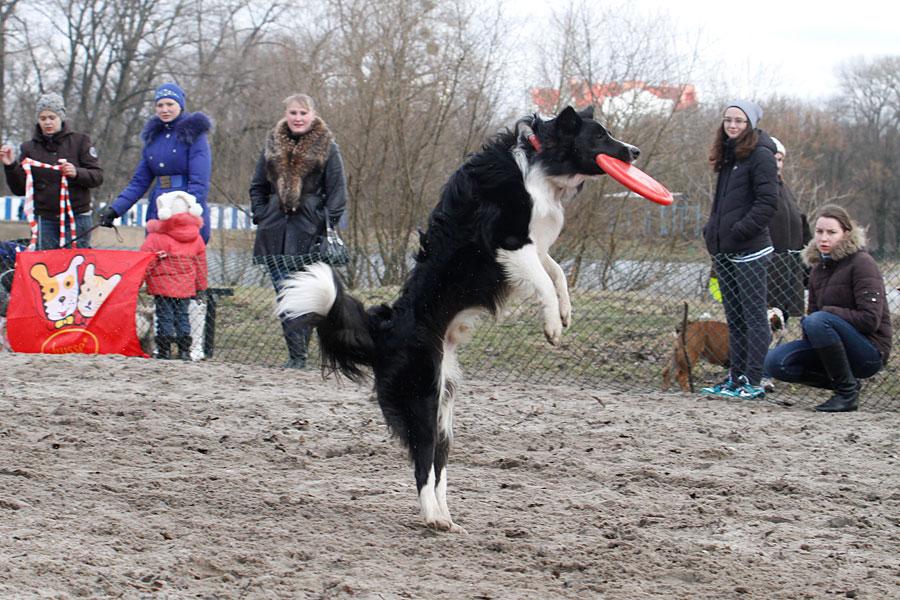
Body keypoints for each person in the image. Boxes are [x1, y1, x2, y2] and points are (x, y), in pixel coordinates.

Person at [249, 93, 347, 368]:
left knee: (305, 296)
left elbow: (338, 193)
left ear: (313, 114)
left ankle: (303, 355)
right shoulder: (272, 144)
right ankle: (297, 357)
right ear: (286, 115)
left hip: (309, 233)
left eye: (303, 113)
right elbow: (257, 185)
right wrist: (262, 213)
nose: (298, 118)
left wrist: (322, 221)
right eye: (293, 113)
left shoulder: (327, 146)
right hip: (275, 232)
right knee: (284, 294)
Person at [763, 205, 891, 412]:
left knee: (817, 320)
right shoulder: (817, 269)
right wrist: (815, 329)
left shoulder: (862, 263)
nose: (824, 238)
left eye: (832, 232)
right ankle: (847, 383)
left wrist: (827, 315)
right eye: (819, 232)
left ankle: (846, 394)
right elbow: (814, 315)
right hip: (830, 346)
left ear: (846, 234)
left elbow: (870, 320)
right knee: (774, 362)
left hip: (869, 351)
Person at [700, 100, 779, 399]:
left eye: (740, 121)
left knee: (754, 316)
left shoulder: (761, 155)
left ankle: (753, 381)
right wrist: (712, 232)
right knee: (734, 317)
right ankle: (735, 377)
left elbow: (767, 203)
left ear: (751, 125)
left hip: (750, 249)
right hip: (725, 250)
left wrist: (739, 231)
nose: (732, 125)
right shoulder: (728, 155)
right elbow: (721, 205)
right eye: (728, 120)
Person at [99, 82, 212, 243]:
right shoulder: (153, 139)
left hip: (185, 206)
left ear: (180, 105)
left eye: (170, 104)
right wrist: (116, 209)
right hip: (159, 207)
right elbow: (139, 182)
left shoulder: (194, 135)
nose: (164, 109)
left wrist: (190, 212)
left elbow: (199, 180)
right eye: (160, 105)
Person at [1, 93, 104, 249]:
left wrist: (76, 173)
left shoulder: (80, 141)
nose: (47, 122)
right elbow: (21, 188)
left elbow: (97, 176)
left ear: (61, 117)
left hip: (76, 216)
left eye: (52, 117)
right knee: (45, 267)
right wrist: (10, 166)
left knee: (74, 263)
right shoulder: (29, 148)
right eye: (43, 118)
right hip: (45, 219)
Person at [139, 191, 208, 360]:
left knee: (164, 317)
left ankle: (164, 351)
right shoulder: (196, 238)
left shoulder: (156, 237)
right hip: (185, 287)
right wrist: (200, 286)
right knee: (182, 317)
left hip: (162, 287)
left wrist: (138, 281)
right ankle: (185, 351)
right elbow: (200, 265)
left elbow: (144, 262)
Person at [766, 136, 812, 325]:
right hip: (764, 272)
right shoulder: (755, 188)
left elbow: (801, 226)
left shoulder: (785, 191)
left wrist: (809, 269)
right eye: (772, 158)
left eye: (780, 159)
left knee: (778, 327)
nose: (777, 164)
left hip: (788, 272)